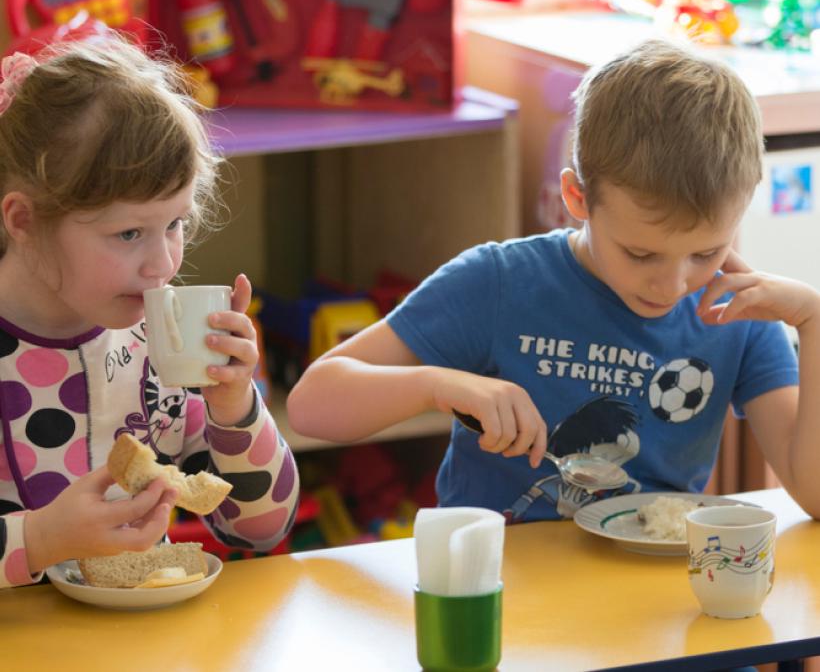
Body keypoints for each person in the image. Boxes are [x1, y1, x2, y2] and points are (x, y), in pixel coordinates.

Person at [288, 38, 820, 524]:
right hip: (500, 583)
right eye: (640, 253)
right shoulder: (500, 283)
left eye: (706, 253)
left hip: (649, 590)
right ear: (577, 198)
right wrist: (437, 386)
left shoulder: (740, 315)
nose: (671, 285)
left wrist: (814, 323)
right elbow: (311, 405)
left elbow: (814, 496)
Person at [0, 37, 298, 588]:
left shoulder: (157, 345)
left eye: (175, 224)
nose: (162, 265)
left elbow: (260, 528)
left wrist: (234, 408)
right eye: (129, 233)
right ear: (24, 221)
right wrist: (39, 539)